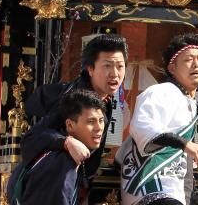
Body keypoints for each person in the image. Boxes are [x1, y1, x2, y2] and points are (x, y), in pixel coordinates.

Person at [119, 33, 198, 205]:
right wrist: (184, 144)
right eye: (188, 59)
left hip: (171, 192)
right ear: (172, 67)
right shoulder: (161, 92)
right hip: (147, 186)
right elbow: (143, 129)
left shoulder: (188, 102)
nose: (197, 65)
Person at [20, 33, 128, 189]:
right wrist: (67, 142)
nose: (115, 74)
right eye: (107, 66)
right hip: (50, 184)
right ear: (90, 68)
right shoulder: (74, 98)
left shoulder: (106, 99)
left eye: (120, 66)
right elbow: (32, 137)